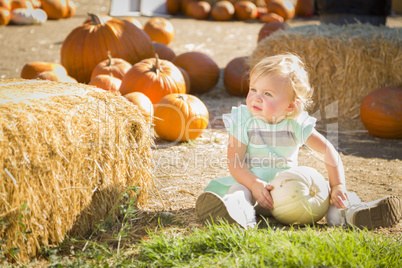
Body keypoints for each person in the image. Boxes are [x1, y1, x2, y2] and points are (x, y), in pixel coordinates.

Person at [196, 53, 401, 229]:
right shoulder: (243, 120)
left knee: (331, 199)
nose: (256, 98)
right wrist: (254, 183)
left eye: (267, 94)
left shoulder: (295, 124)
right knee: (238, 191)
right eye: (253, 89)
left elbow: (327, 150)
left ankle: (353, 214)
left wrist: (338, 185)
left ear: (291, 107)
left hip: (292, 196)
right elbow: (235, 163)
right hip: (254, 191)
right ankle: (237, 214)